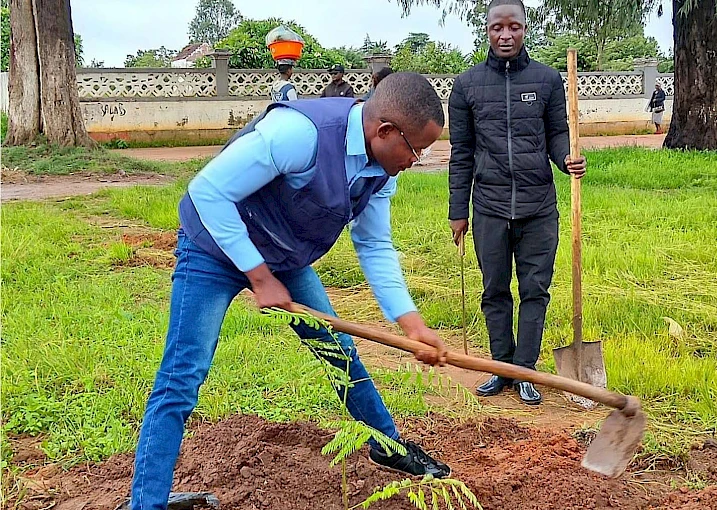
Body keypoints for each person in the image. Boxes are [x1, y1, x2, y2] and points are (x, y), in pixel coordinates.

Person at [128, 72, 451, 510]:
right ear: (386, 131)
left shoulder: (382, 167)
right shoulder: (299, 133)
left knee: (339, 350)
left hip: (285, 256)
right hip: (214, 249)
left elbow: (373, 243)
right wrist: (260, 278)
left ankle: (386, 445)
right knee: (181, 378)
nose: (418, 160)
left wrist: (411, 324)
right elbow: (207, 191)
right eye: (416, 149)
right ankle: (147, 503)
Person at [448, 0, 587, 405]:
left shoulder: (545, 80)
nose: (505, 35)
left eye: (514, 27)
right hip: (489, 205)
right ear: (486, 30)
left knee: (534, 289)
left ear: (525, 28)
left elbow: (558, 134)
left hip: (538, 205)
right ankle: (500, 367)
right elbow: (461, 153)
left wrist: (567, 158)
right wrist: (459, 210)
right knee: (494, 289)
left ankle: (525, 370)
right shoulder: (467, 85)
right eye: (497, 28)